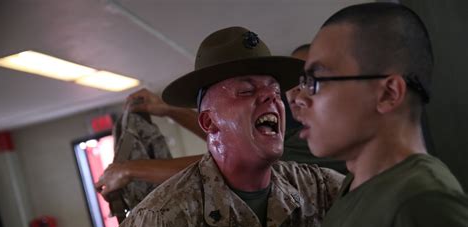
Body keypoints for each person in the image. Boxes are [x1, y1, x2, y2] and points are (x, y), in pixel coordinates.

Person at [95, 26, 343, 227]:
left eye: (275, 91)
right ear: (209, 123)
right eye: (247, 91)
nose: (271, 98)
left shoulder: (319, 190)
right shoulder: (158, 224)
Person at [290, 1, 468, 227]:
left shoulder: (422, 201)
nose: (295, 97)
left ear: (388, 94)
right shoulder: (353, 186)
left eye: (316, 81)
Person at [94, 45, 345, 200]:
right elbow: (230, 137)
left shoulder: (325, 141)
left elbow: (234, 163)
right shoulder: (297, 132)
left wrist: (130, 169)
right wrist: (169, 110)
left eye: (309, 83)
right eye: (246, 92)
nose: (293, 95)